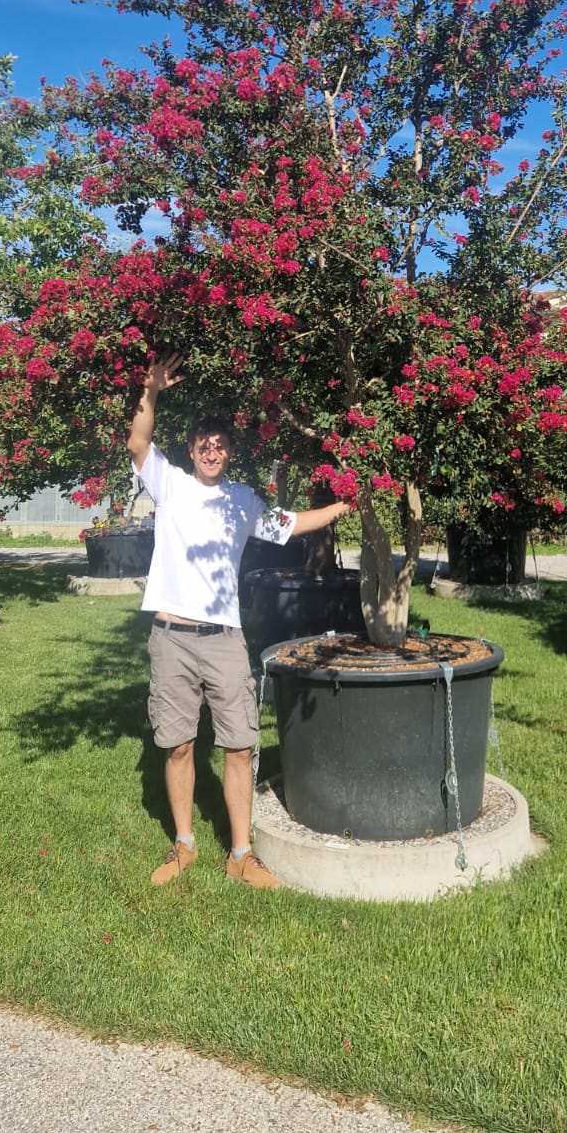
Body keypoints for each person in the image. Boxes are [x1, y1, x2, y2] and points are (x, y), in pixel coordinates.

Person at [128, 354, 354, 888]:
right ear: (191, 450)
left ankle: (241, 854)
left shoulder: (243, 500)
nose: (212, 449)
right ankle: (184, 845)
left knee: (238, 745)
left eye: (220, 442)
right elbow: (138, 442)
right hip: (170, 637)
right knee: (179, 745)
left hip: (225, 639)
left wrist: (344, 506)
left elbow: (292, 523)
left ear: (231, 451)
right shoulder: (171, 484)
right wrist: (151, 390)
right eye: (203, 442)